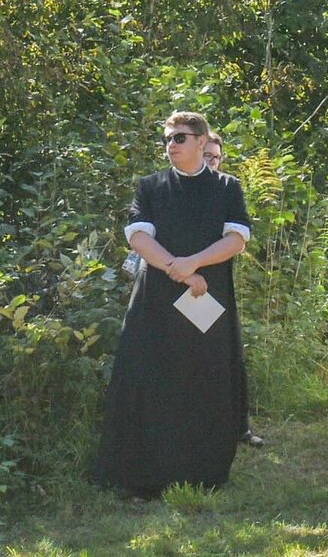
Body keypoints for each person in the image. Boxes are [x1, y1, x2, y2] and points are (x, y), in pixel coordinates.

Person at [95, 111, 252, 497]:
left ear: (202, 141)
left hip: (205, 297)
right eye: (168, 138)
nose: (171, 145)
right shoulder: (150, 186)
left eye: (180, 137)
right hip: (156, 300)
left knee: (204, 378)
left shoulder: (227, 187)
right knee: (149, 379)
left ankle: (203, 472)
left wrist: (194, 264)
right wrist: (177, 269)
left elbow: (237, 239)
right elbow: (137, 237)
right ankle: (144, 476)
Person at [199, 132, 266, 448]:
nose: (209, 162)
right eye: (205, 156)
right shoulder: (167, 189)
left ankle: (237, 428)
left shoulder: (226, 190)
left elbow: (236, 239)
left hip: (213, 286)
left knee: (226, 357)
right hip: (169, 284)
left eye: (214, 157)